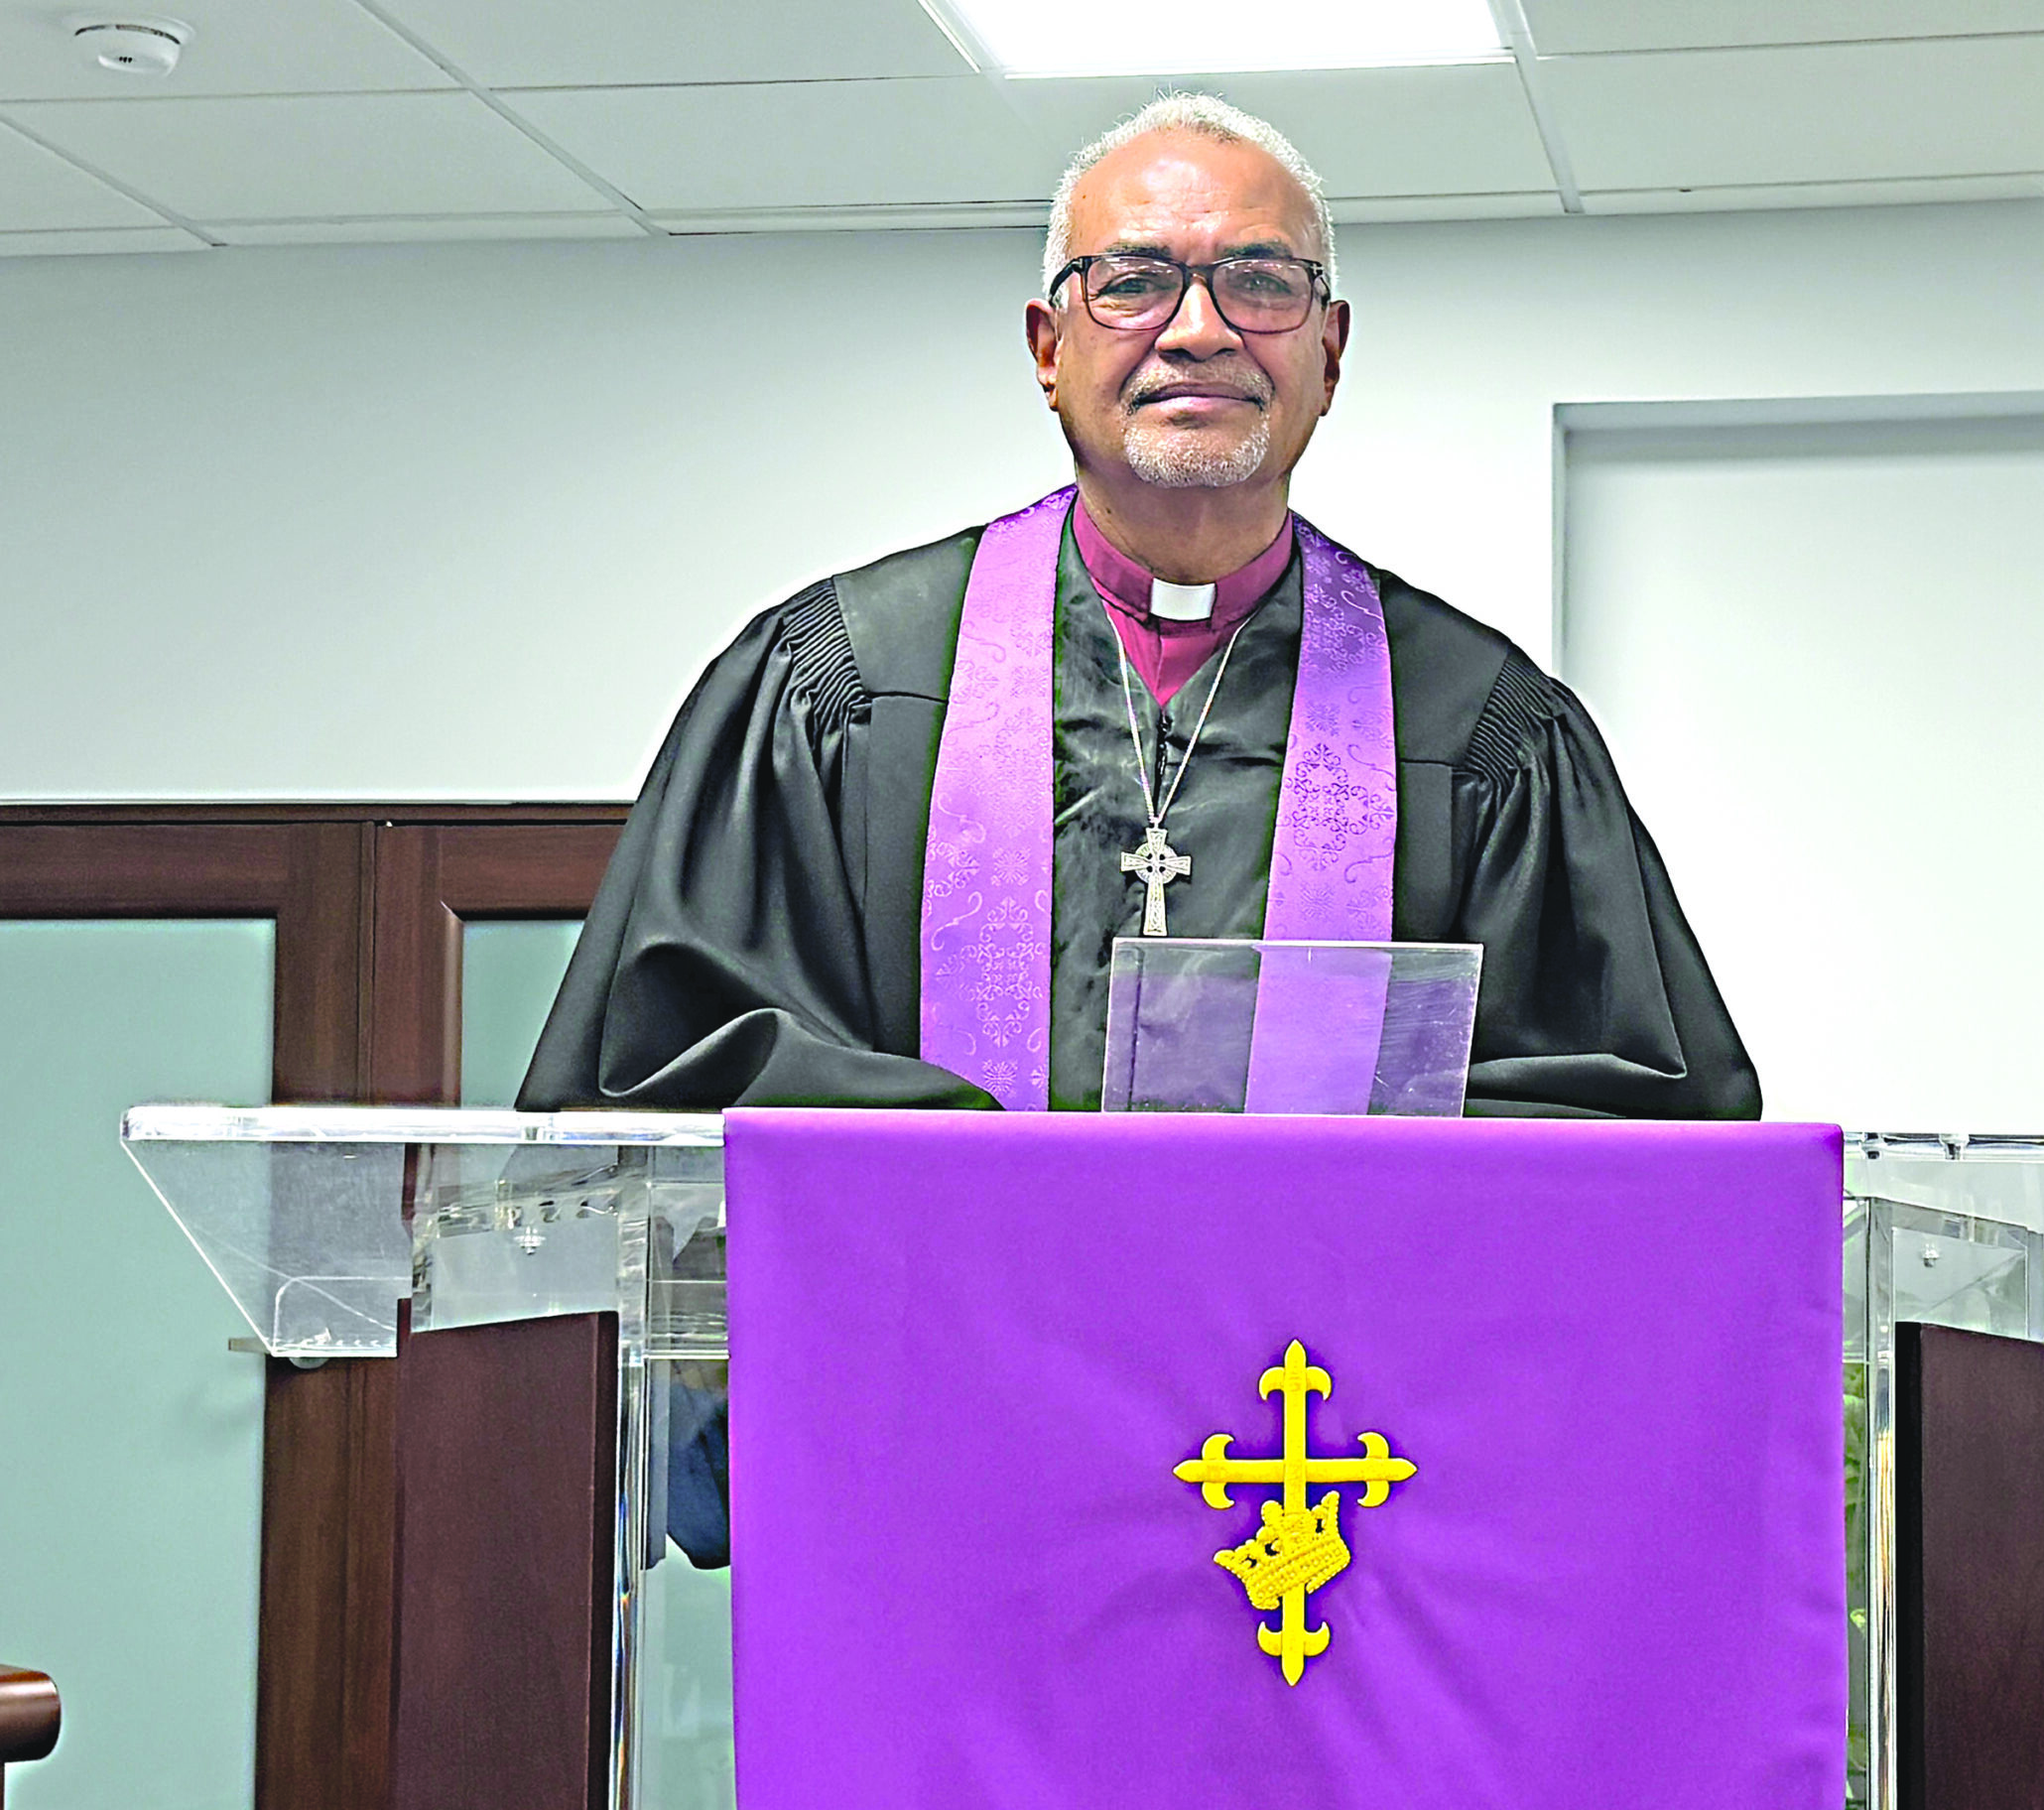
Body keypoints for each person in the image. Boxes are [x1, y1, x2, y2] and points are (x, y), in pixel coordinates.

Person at [520, 93, 1757, 1124]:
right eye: (1135, 282)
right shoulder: (840, 679)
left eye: (1260, 282)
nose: (1200, 329)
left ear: (1329, 351)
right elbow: (669, 1072)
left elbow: (1638, 1118)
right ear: (1047, 345)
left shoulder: (1478, 720)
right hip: (932, 1367)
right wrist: (1029, 1190)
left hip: (1327, 1402)